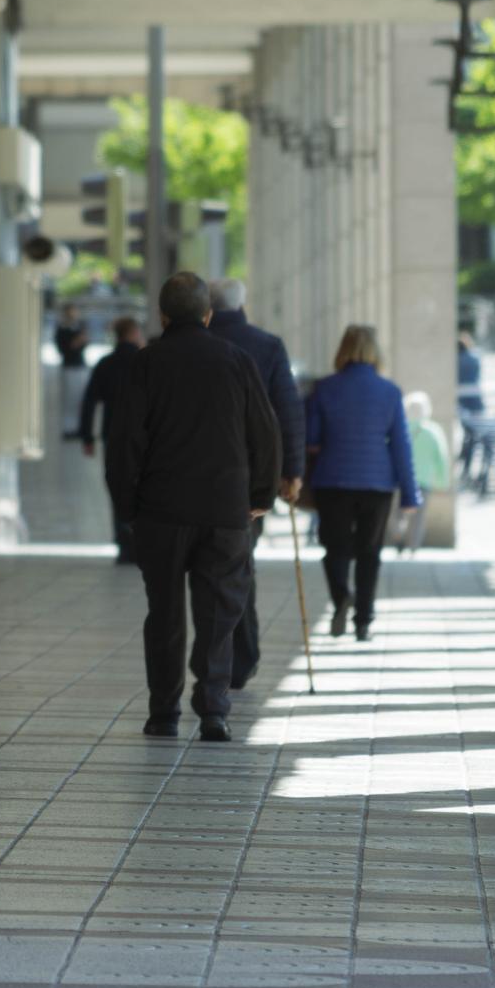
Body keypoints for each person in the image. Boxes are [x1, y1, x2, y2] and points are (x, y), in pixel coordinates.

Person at [108, 272, 281, 744]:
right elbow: (264, 434)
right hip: (225, 510)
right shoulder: (238, 361)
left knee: (163, 611)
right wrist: (260, 497)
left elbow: (124, 442)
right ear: (208, 315)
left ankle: (163, 713)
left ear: (163, 315)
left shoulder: (145, 365)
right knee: (219, 611)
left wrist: (128, 506)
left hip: (160, 511)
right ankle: (214, 711)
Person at [208, 279, 305, 688]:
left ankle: (213, 661)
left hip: (190, 480)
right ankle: (241, 658)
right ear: (243, 303)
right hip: (247, 482)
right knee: (239, 565)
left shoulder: (185, 346)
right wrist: (291, 472)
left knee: (204, 573)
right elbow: (287, 411)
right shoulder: (266, 346)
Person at [307, 325, 419, 643]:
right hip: (377, 482)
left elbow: (312, 439)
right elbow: (400, 445)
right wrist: (410, 493)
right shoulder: (390, 391)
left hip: (333, 480)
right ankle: (363, 622)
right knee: (369, 553)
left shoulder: (324, 389)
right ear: (375, 352)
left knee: (335, 548)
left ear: (342, 349)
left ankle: (342, 596)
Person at [79, 316, 145, 563]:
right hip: (143, 437)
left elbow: (89, 401)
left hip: (112, 436)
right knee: (143, 486)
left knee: (118, 485)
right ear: (133, 333)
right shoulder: (144, 362)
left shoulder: (105, 364)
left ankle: (123, 542)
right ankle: (140, 541)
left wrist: (87, 436)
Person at [396, 391, 451, 552]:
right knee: (418, 516)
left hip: (400, 478)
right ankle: (413, 545)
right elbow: (441, 458)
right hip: (423, 480)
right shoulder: (433, 431)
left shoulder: (400, 429)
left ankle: (398, 534)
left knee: (398, 513)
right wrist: (442, 481)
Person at [55, 312, 90, 439]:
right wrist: (75, 342)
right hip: (69, 367)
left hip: (80, 366)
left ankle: (79, 427)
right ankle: (69, 428)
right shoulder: (62, 331)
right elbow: (63, 349)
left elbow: (85, 344)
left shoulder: (79, 328)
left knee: (80, 398)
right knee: (69, 399)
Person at [457, 331, 485, 480]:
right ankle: (466, 465)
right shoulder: (474, 358)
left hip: (461, 402)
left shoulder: (456, 360)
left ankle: (465, 464)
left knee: (468, 436)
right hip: (475, 401)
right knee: (472, 436)